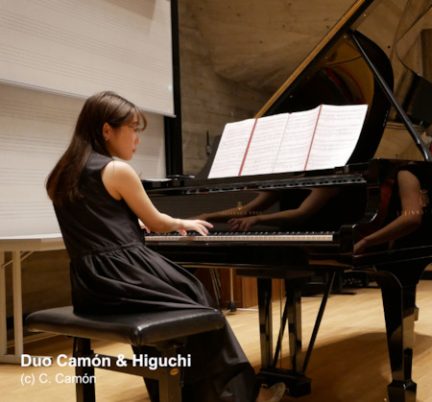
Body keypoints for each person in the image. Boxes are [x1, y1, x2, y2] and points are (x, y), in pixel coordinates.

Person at [45, 91, 285, 402]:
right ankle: (238, 396)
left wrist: (130, 226)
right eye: (133, 128)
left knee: (179, 304)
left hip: (91, 286)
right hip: (122, 275)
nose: (137, 139)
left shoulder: (63, 173)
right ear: (107, 130)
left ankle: (174, 392)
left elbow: (97, 220)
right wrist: (183, 223)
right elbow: (157, 221)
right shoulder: (116, 170)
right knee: (199, 302)